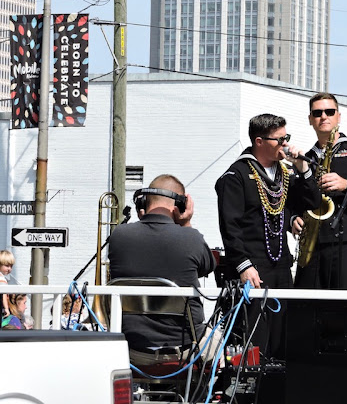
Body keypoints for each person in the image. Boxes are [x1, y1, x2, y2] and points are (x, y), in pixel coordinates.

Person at [215, 114, 321, 359]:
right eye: (279, 139)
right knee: (255, 341)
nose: (285, 144)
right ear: (259, 141)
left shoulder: (285, 173)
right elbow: (230, 227)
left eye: (286, 138)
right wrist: (243, 265)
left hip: (281, 266)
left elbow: (313, 201)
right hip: (253, 267)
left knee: (283, 339)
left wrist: (302, 168)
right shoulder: (236, 175)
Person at [109, 174, 218, 366]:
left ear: (143, 204)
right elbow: (207, 267)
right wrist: (186, 224)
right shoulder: (191, 238)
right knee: (223, 341)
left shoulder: (118, 236)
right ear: (181, 206)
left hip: (131, 349)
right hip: (186, 349)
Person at [293, 92, 347, 290]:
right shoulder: (304, 158)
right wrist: (292, 219)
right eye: (317, 113)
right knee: (306, 304)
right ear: (310, 119)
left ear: (339, 116)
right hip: (312, 245)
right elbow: (292, 199)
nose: (323, 116)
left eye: (329, 112)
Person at [0, 249, 15, 317]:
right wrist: (6, 308)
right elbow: (4, 294)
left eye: (11, 266)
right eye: (7, 266)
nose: (9, 269)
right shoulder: (1, 278)